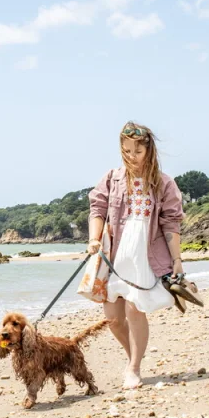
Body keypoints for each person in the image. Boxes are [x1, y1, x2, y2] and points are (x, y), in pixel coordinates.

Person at [87, 122, 185, 389]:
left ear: (149, 151)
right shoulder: (111, 178)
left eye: (137, 151)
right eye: (127, 150)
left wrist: (176, 260)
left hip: (145, 253)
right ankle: (133, 358)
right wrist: (94, 239)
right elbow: (97, 209)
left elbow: (171, 223)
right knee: (113, 319)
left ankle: (134, 367)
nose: (132, 156)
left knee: (134, 308)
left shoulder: (164, 183)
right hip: (116, 252)